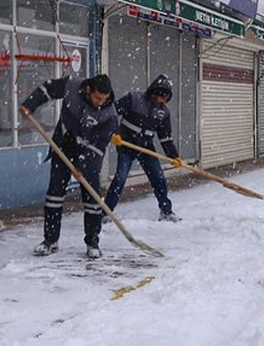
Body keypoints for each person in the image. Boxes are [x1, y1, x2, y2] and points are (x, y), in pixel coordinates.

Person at [20, 73, 118, 259]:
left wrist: (84, 166)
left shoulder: (109, 114)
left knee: (92, 200)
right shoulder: (72, 86)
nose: (100, 102)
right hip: (62, 145)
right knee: (54, 196)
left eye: (104, 99)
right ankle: (50, 241)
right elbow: (47, 89)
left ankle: (92, 242)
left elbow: (99, 147)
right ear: (88, 89)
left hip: (89, 153)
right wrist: (30, 104)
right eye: (97, 98)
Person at [104, 74, 181, 222]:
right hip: (126, 143)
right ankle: (105, 212)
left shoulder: (163, 112)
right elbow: (112, 113)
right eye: (161, 97)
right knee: (120, 178)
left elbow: (165, 137)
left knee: (158, 177)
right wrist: (114, 133)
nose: (163, 101)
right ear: (153, 93)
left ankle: (166, 211)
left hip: (146, 146)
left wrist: (173, 156)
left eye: (166, 98)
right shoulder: (134, 99)